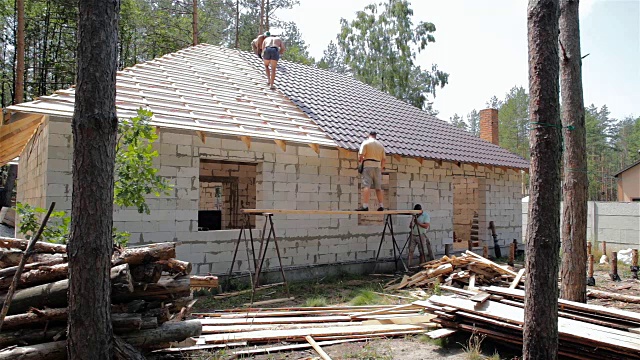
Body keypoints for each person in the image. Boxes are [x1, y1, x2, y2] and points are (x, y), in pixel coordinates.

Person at [356, 131, 386, 211]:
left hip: (368, 165)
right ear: (375, 136)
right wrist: (381, 169)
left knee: (366, 186)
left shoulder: (365, 143)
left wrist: (360, 163)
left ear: (369, 135)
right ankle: (381, 205)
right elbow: (384, 160)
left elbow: (361, 156)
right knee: (378, 188)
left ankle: (365, 206)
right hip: (378, 167)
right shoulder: (381, 145)